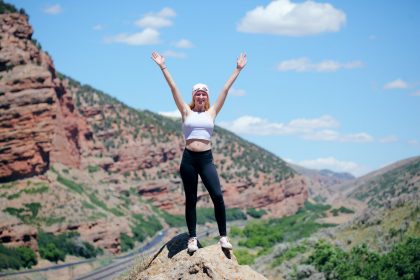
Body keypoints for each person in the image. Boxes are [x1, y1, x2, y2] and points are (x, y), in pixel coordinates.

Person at [151, 51, 247, 253]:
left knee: (217, 196)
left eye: (204, 93)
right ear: (193, 96)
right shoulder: (186, 111)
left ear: (207, 96)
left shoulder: (212, 112)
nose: (201, 95)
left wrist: (237, 70)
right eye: (197, 93)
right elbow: (173, 87)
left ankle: (223, 237)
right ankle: (192, 238)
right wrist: (163, 66)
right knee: (191, 199)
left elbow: (225, 89)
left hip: (205, 159)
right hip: (188, 160)